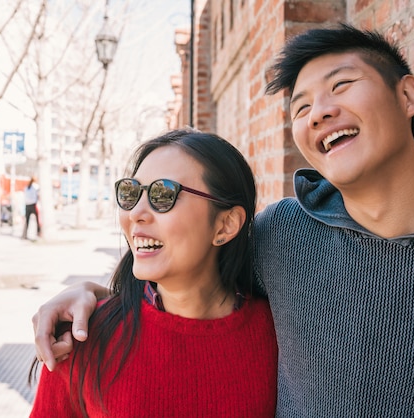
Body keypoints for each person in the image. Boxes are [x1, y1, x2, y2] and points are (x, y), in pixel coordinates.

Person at [32, 25, 414, 416]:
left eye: (342, 86)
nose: (319, 113)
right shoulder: (283, 234)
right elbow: (193, 285)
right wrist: (93, 294)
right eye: (302, 106)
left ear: (407, 97)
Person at [29, 129, 278, 417]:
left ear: (226, 225)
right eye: (131, 193)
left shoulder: (280, 334)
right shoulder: (82, 338)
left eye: (163, 194)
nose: (136, 212)